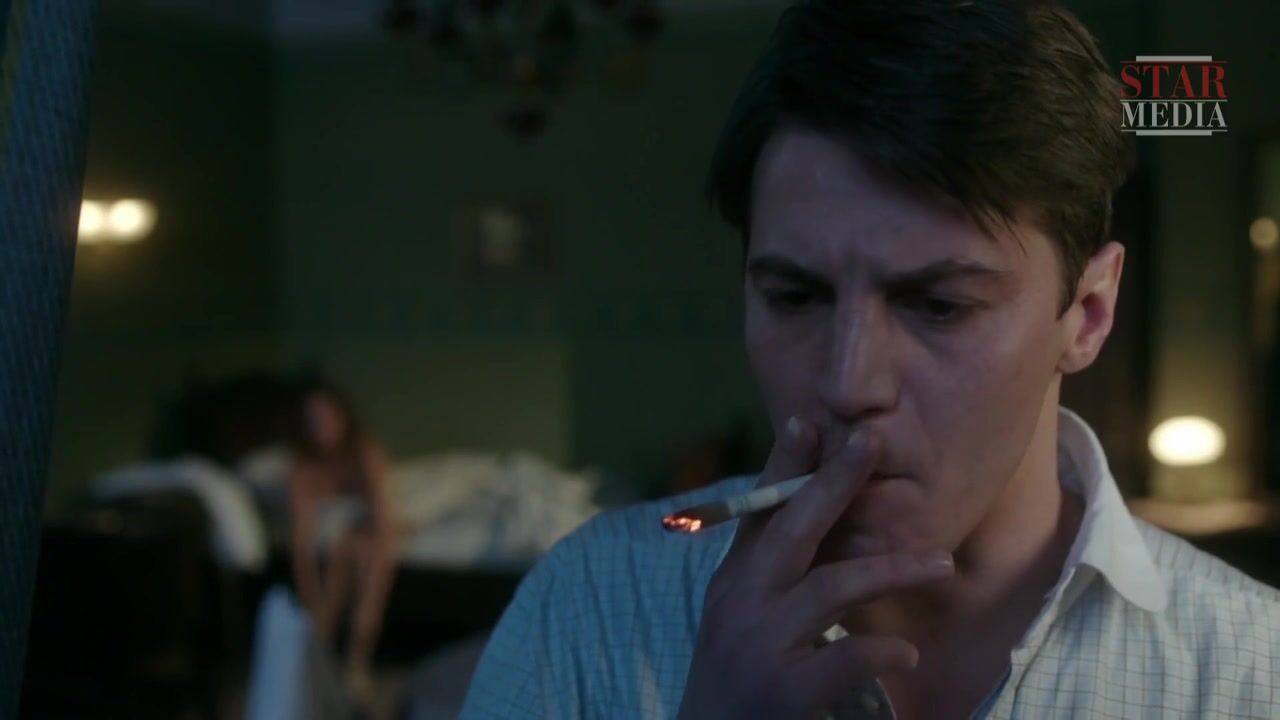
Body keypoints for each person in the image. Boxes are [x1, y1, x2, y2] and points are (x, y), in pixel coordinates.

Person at [458, 0, 1280, 718]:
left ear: (1089, 314)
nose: (848, 384)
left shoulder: (1250, 667)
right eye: (795, 297)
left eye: (939, 305)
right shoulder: (587, 605)